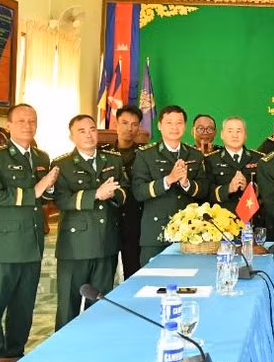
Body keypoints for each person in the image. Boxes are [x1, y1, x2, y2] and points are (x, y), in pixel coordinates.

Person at [0, 103, 59, 359]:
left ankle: (15, 356)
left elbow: (44, 198)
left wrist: (49, 189)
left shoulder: (41, 157)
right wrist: (35, 190)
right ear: (8, 125)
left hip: (31, 245)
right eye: (21, 121)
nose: (28, 125)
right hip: (3, 247)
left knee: (23, 309)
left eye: (32, 121)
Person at [52, 115, 128, 330]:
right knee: (69, 305)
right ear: (71, 136)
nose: (88, 135)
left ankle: (98, 343)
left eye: (92, 129)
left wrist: (112, 193)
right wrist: (95, 194)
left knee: (101, 304)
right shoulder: (62, 164)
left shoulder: (112, 160)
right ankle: (65, 346)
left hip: (106, 241)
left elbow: (124, 191)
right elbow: (60, 199)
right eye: (82, 131)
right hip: (75, 246)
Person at [132, 105, 208, 265]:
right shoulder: (145, 155)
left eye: (179, 123)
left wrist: (186, 183)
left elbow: (203, 190)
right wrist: (169, 179)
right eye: (169, 123)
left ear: (185, 126)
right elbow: (139, 192)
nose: (174, 127)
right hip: (156, 233)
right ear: (160, 125)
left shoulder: (195, 154)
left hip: (188, 233)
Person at [100, 105, 143, 279]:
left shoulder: (145, 154)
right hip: (108, 218)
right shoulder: (102, 154)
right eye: (124, 123)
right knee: (104, 273)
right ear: (116, 124)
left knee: (133, 271)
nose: (129, 128)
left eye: (134, 124)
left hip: (134, 218)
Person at [205, 116, 264, 213]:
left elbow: (268, 190)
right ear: (222, 134)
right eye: (230, 131)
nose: (235, 135)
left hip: (252, 217)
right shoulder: (210, 160)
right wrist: (228, 188)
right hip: (223, 217)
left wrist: (249, 186)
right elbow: (205, 193)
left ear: (245, 135)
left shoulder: (259, 159)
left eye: (239, 131)